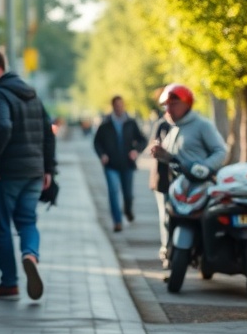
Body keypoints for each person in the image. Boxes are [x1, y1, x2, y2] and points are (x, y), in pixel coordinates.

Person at [0, 49, 56, 301]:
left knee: (1, 227)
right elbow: (48, 131)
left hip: (8, 172)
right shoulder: (32, 94)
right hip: (34, 171)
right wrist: (48, 169)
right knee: (27, 221)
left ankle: (9, 282)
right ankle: (30, 254)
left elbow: (1, 127)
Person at [149, 83, 227, 258]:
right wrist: (161, 154)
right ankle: (171, 254)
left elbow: (221, 151)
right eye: (166, 105)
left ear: (186, 104)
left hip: (200, 185)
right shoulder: (175, 128)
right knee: (170, 220)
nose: (168, 109)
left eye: (173, 104)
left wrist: (205, 167)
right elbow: (175, 158)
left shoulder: (202, 125)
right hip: (178, 185)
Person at [93, 95, 148, 232]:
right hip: (111, 164)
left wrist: (136, 151)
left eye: (121, 105)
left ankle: (128, 210)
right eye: (116, 105)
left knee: (128, 194)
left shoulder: (130, 122)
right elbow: (97, 142)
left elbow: (142, 140)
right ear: (113, 106)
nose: (119, 107)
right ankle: (117, 221)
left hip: (127, 164)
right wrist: (102, 155)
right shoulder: (105, 124)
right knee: (113, 192)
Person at [148, 110, 174, 266]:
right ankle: (167, 250)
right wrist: (157, 148)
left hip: (181, 179)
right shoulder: (162, 125)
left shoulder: (186, 126)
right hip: (162, 178)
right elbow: (152, 146)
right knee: (165, 215)